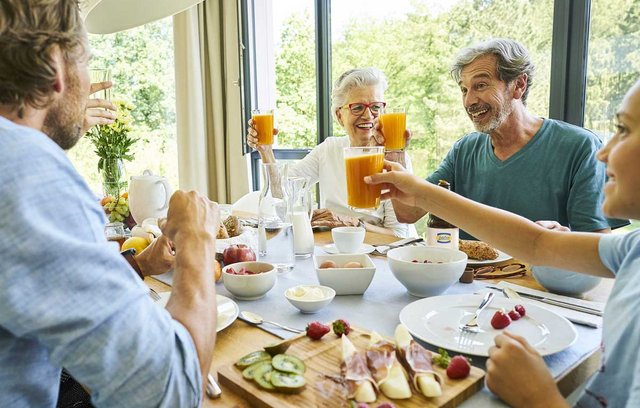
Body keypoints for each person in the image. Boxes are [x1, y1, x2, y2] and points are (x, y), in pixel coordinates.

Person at [366, 78, 640, 407]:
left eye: (623, 130)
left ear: (519, 86)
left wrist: (540, 397)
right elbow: (537, 244)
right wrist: (421, 192)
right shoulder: (632, 248)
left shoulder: (575, 147)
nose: (604, 152)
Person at [0, 1, 218, 406]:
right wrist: (197, 238)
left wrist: (47, 122)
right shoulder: (25, 168)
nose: (87, 82)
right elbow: (165, 391)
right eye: (86, 60)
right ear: (54, 64)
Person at [381, 38, 627, 238]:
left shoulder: (580, 147)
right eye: (464, 89)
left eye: (480, 85)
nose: (469, 101)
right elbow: (407, 213)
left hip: (535, 289)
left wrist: (564, 237)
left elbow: (599, 247)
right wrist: (394, 150)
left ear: (518, 85)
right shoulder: (464, 150)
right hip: (467, 287)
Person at [247, 67, 415, 237]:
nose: (368, 115)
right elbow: (283, 194)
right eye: (357, 107)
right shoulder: (329, 149)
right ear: (339, 115)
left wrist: (354, 223)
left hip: (377, 253)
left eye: (376, 107)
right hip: (333, 248)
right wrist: (265, 150)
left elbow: (398, 234)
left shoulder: (395, 158)